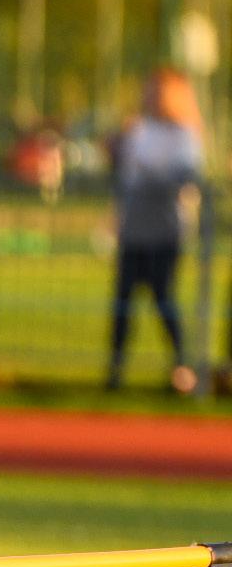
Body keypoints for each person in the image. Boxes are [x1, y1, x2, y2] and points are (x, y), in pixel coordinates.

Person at [107, 68, 200, 395]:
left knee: (163, 298)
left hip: (164, 230)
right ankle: (115, 371)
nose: (148, 97)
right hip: (133, 228)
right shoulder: (138, 130)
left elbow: (183, 175)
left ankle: (181, 368)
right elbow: (125, 176)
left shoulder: (184, 136)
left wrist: (150, 175)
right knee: (123, 303)